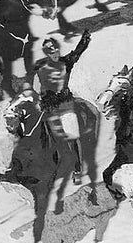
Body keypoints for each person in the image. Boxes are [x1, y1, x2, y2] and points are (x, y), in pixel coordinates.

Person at [27, 31, 91, 180]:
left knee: (72, 136)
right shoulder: (39, 66)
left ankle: (77, 168)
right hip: (49, 107)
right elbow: (35, 86)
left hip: (65, 106)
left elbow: (77, 53)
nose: (54, 51)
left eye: (55, 48)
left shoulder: (66, 62)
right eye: (50, 49)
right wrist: (41, 99)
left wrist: (84, 42)